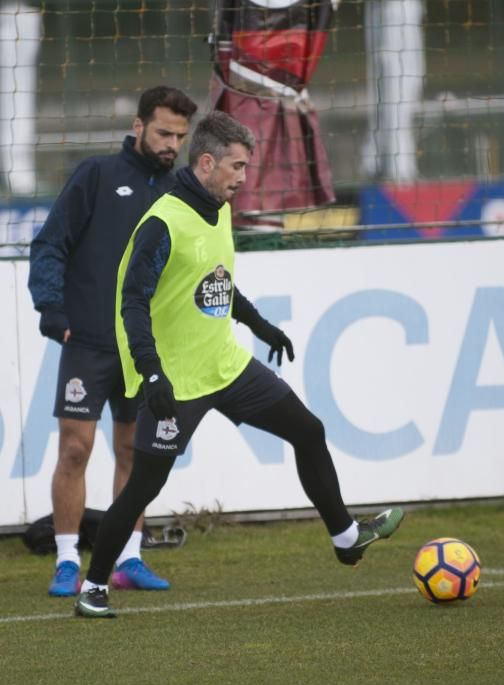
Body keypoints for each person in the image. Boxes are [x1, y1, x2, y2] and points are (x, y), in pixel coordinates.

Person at [74, 111, 404, 618]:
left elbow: (218, 281)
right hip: (176, 380)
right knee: (144, 486)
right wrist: (152, 372)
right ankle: (93, 587)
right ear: (206, 163)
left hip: (227, 366)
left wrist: (258, 324)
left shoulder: (219, 207)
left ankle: (345, 538)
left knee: (308, 431)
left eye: (246, 168)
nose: (243, 178)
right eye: (237, 167)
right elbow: (132, 303)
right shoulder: (163, 222)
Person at [27, 85, 198, 597]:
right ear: (139, 126)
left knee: (133, 450)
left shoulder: (180, 194)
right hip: (89, 340)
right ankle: (64, 560)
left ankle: (128, 558)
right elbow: (50, 244)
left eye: (180, 136)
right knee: (75, 449)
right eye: (164, 132)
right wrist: (52, 309)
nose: (171, 144)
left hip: (142, 349)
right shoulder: (96, 176)